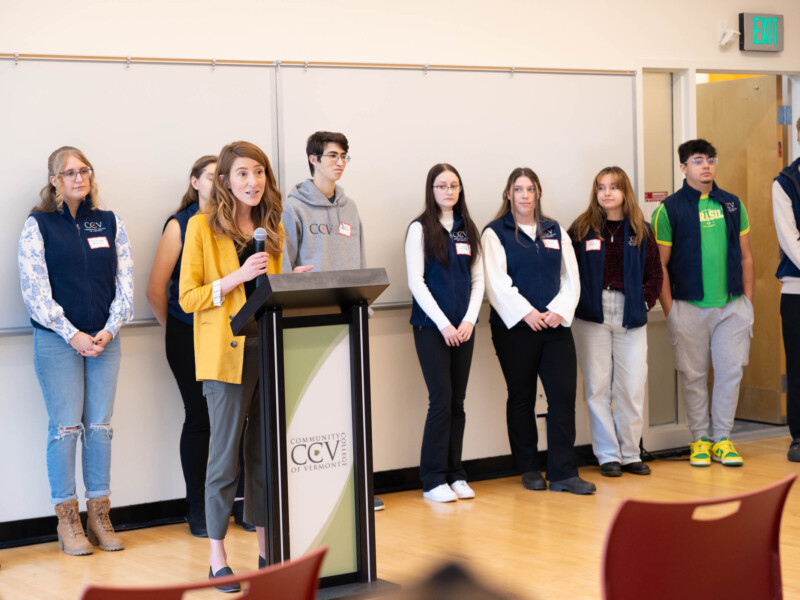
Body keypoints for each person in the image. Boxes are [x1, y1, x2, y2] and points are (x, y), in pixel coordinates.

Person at [179, 141, 310, 591]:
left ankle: (265, 552)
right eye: (242, 175)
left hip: (267, 348)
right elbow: (188, 298)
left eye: (259, 173)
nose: (252, 182)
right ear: (225, 181)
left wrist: (289, 283)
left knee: (264, 458)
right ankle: (217, 558)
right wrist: (236, 276)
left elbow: (267, 292)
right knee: (223, 461)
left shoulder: (272, 228)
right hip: (224, 357)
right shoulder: (199, 228)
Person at [18, 146, 134, 555]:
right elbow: (35, 293)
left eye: (83, 171)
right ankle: (67, 520)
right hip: (56, 340)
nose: (77, 178)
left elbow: (126, 284)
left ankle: (99, 515)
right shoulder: (39, 225)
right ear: (54, 180)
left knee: (100, 427)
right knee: (66, 428)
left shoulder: (109, 222)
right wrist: (73, 334)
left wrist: (109, 328)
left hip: (105, 338)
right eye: (68, 173)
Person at [281, 130, 385, 511]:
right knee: (314, 408)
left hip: (350, 320)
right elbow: (283, 268)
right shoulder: (293, 207)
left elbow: (359, 262)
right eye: (332, 155)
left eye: (344, 156)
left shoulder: (351, 207)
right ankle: (316, 490)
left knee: (351, 408)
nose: (339, 162)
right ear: (313, 159)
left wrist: (363, 308)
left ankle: (355, 488)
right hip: (310, 323)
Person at [482, 167, 595, 495]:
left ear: (538, 194)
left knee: (563, 397)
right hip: (515, 329)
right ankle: (529, 467)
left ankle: (563, 473)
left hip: (555, 326)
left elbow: (570, 276)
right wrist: (526, 313)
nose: (525, 195)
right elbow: (496, 281)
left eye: (530, 189)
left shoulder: (554, 229)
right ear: (508, 194)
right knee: (522, 398)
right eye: (518, 189)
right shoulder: (495, 233)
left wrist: (558, 312)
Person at [653, 139, 754, 467]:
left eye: (710, 159)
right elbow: (660, 266)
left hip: (731, 308)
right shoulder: (668, 210)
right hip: (688, 308)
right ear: (684, 168)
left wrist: (747, 304)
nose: (706, 165)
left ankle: (723, 440)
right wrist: (671, 312)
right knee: (693, 376)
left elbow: (747, 257)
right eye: (698, 161)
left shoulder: (733, 204)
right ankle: (699, 440)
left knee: (730, 374)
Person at [568, 167, 662, 477]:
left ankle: (631, 453)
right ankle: (607, 455)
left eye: (614, 187)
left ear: (625, 192)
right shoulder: (581, 229)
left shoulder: (642, 230)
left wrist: (643, 303)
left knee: (631, 386)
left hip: (630, 313)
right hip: (591, 315)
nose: (607, 193)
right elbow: (567, 272)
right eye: (601, 188)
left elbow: (655, 275)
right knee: (597, 388)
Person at [146, 155, 216, 537]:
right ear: (194, 181)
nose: (218, 181)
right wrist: (175, 328)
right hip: (187, 332)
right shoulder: (181, 224)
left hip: (226, 334)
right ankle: (197, 508)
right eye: (210, 176)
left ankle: (234, 503)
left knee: (231, 419)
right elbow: (156, 289)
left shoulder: (231, 219)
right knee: (200, 417)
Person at [405, 164, 484, 503]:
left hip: (464, 328)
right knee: (440, 401)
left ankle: (456, 474)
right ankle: (433, 478)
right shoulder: (420, 229)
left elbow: (478, 279)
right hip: (431, 328)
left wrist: (468, 321)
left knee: (457, 403)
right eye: (441, 186)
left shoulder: (468, 229)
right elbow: (416, 282)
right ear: (431, 190)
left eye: (454, 186)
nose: (448, 191)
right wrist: (444, 324)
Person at [773, 117, 800, 462]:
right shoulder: (786, 181)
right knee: (798, 365)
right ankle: (799, 436)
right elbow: (790, 238)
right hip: (797, 291)